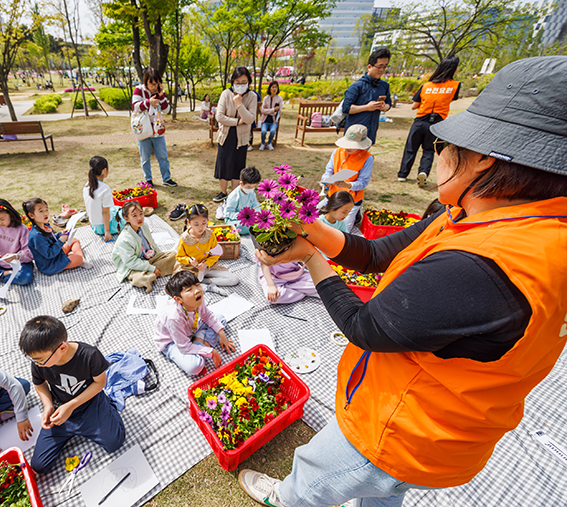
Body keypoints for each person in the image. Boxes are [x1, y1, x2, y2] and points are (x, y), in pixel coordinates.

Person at [238, 55, 567, 507]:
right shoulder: (496, 218)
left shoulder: (484, 267)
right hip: (444, 433)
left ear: (485, 162)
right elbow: (376, 253)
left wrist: (311, 257)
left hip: (403, 429)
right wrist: (313, 230)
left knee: (317, 477)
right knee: (383, 494)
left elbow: (364, 327)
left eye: (447, 145)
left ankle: (286, 498)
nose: (439, 154)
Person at [19, 315, 125, 474]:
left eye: (40, 360)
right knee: (39, 465)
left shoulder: (89, 355)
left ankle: (108, 407)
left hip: (90, 404)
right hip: (60, 410)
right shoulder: (39, 362)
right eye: (33, 360)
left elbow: (100, 383)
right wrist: (48, 405)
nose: (37, 363)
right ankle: (72, 430)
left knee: (114, 442)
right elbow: (39, 384)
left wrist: (71, 405)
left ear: (62, 348)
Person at [154, 271, 236, 376]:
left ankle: (199, 342)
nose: (197, 290)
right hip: (173, 342)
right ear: (178, 299)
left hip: (192, 329)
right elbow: (183, 346)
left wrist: (222, 335)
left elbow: (207, 316)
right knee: (194, 366)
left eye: (197, 285)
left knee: (220, 318)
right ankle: (201, 342)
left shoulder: (197, 300)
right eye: (189, 290)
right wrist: (211, 352)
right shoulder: (173, 317)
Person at [398, 56, 461, 187]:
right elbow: (452, 99)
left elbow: (414, 105)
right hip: (437, 122)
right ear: (453, 69)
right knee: (428, 150)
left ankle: (403, 175)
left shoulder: (426, 86)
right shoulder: (455, 86)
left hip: (420, 120)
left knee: (411, 148)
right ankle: (423, 172)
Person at [318, 124, 374, 233]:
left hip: (351, 200)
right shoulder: (337, 151)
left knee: (343, 232)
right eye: (347, 143)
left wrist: (348, 185)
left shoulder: (367, 158)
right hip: (332, 197)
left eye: (352, 145)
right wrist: (325, 180)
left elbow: (363, 182)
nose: (348, 147)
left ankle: (355, 215)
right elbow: (329, 170)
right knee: (312, 216)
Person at [213, 67, 257, 202]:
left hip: (242, 137)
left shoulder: (252, 96)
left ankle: (233, 194)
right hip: (226, 135)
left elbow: (250, 119)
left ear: (249, 82)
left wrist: (239, 105)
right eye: (237, 82)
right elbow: (219, 116)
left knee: (238, 165)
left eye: (244, 82)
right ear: (233, 82)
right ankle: (222, 192)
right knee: (223, 164)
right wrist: (237, 121)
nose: (240, 85)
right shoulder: (226, 94)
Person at [112, 201, 177, 293]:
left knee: (173, 255)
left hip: (148, 258)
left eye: (141, 214)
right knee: (143, 278)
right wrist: (152, 269)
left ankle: (152, 271)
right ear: (126, 218)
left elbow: (152, 243)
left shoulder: (144, 226)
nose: (139, 218)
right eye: (134, 216)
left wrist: (161, 256)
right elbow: (130, 262)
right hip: (132, 267)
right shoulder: (124, 239)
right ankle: (151, 273)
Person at [131, 67, 178, 187]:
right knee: (145, 158)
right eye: (150, 84)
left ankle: (166, 178)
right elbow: (135, 107)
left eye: (155, 84)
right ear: (146, 81)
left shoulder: (160, 92)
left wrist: (161, 96)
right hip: (143, 129)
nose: (153, 87)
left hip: (157, 130)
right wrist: (148, 102)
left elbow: (167, 110)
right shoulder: (138, 90)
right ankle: (148, 181)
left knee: (163, 156)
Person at [175, 204, 240, 288]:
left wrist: (205, 264)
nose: (200, 228)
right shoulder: (184, 239)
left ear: (207, 221)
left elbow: (216, 254)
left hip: (208, 267)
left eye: (204, 223)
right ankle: (199, 282)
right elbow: (179, 257)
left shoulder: (210, 235)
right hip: (191, 269)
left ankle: (206, 282)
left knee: (234, 279)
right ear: (189, 222)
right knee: (183, 285)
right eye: (196, 224)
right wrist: (189, 260)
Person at [23, 198, 89, 275]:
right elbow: (49, 254)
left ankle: (79, 258)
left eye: (46, 209)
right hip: (50, 264)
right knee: (78, 259)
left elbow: (51, 238)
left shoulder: (44, 225)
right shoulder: (36, 236)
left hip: (57, 253)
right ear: (31, 215)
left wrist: (60, 234)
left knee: (74, 240)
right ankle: (78, 259)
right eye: (41, 211)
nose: (45, 213)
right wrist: (61, 240)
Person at [342, 48, 392, 144]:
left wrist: (385, 107)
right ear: (369, 66)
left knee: (365, 157)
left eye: (385, 67)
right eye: (379, 66)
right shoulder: (357, 86)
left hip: (371, 131)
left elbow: (389, 104)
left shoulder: (384, 86)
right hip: (354, 131)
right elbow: (346, 108)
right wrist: (367, 107)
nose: (382, 70)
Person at [83, 156, 122, 241]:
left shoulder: (86, 186)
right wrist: (107, 231)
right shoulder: (105, 189)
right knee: (126, 213)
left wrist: (91, 221)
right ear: (104, 170)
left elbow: (89, 206)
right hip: (105, 228)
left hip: (94, 226)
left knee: (115, 208)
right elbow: (105, 212)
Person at [224, 166, 261, 234]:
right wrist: (241, 216)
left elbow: (255, 205)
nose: (251, 189)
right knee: (242, 227)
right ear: (241, 183)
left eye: (253, 187)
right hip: (235, 220)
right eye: (249, 187)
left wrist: (257, 213)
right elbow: (229, 213)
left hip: (250, 218)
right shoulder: (234, 196)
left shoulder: (251, 192)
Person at [259, 81, 283, 151]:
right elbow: (263, 111)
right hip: (265, 120)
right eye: (273, 87)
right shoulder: (266, 98)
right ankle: (263, 143)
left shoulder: (279, 99)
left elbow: (278, 111)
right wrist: (273, 110)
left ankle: (269, 143)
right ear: (270, 89)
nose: (274, 89)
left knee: (272, 131)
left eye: (276, 87)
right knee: (263, 132)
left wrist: (268, 110)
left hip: (274, 121)